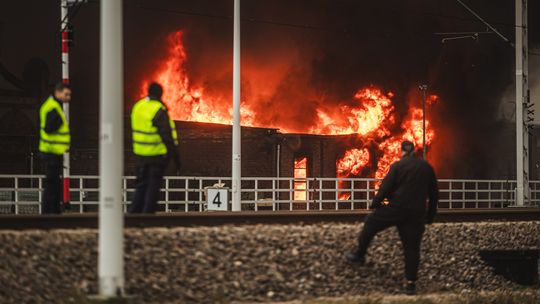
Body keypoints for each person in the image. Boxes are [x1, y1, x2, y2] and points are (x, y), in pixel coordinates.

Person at [346, 140, 438, 295]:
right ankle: (411, 284)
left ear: (402, 151)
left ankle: (359, 255)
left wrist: (375, 204)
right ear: (414, 151)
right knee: (412, 248)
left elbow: (385, 188)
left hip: (397, 208)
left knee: (370, 223)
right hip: (416, 212)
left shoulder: (398, 166)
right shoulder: (427, 167)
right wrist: (429, 216)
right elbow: (434, 194)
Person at [129, 82, 181, 213]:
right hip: (156, 155)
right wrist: (175, 157)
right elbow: (166, 135)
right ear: (161, 94)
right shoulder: (158, 110)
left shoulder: (138, 107)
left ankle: (134, 214)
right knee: (153, 186)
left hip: (140, 154)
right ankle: (148, 217)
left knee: (141, 185)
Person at [39, 82, 71, 214]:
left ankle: (53, 211)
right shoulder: (53, 107)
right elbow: (49, 128)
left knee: (53, 183)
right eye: (66, 94)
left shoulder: (51, 105)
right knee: (52, 183)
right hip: (51, 152)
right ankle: (50, 212)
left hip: (52, 151)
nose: (68, 97)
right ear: (58, 92)